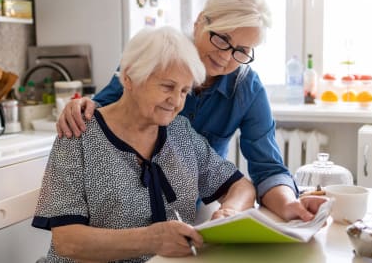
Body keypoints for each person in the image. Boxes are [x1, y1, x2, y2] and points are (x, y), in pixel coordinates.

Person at [56, 0, 326, 222]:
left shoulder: (247, 89)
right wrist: (81, 106)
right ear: (200, 22)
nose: (225, 57)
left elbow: (267, 169)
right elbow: (103, 110)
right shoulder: (157, 56)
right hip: (121, 210)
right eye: (222, 38)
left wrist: (290, 205)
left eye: (241, 50)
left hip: (187, 211)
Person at [32, 26, 256, 262]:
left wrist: (229, 213)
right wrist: (152, 239)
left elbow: (241, 187)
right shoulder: (78, 133)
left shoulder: (181, 132)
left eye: (184, 91)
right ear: (129, 78)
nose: (176, 101)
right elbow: (67, 241)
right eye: (167, 87)